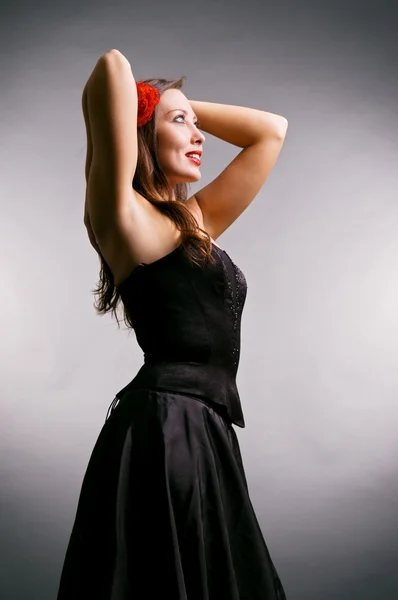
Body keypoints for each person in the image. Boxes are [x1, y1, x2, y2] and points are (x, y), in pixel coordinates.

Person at [57, 48, 288, 599]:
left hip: (207, 430)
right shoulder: (123, 217)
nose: (199, 133)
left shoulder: (197, 222)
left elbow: (270, 133)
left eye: (195, 123)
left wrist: (180, 108)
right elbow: (110, 66)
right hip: (163, 428)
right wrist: (153, 103)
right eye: (179, 124)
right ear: (142, 135)